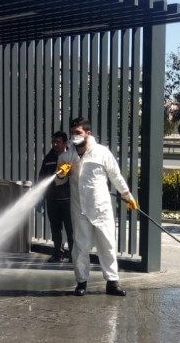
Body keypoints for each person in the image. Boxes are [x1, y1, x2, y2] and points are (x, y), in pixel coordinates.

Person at [56, 116, 138, 297]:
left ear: (88, 133)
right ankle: (81, 282)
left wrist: (128, 196)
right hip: (79, 209)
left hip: (101, 208)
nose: (74, 136)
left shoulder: (102, 153)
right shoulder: (66, 157)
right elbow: (58, 182)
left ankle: (112, 282)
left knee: (107, 244)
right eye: (72, 133)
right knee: (80, 247)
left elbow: (116, 176)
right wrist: (61, 174)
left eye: (77, 133)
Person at [39, 131, 73, 263]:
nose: (55, 144)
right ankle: (58, 253)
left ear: (65, 143)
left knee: (70, 228)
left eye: (58, 142)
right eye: (53, 141)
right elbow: (42, 177)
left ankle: (72, 254)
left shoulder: (71, 157)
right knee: (55, 228)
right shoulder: (48, 158)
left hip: (68, 199)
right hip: (52, 198)